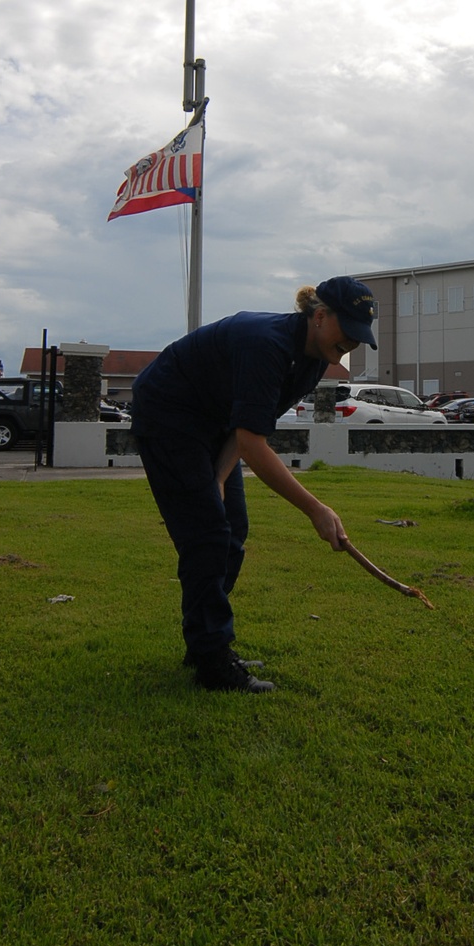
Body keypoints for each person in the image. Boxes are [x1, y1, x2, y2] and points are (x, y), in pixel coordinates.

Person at [131, 276, 378, 693]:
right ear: (320, 317)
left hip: (211, 424)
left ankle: (204, 643)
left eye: (359, 337)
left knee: (231, 530)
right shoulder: (265, 343)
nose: (351, 345)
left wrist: (220, 477)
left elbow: (241, 431)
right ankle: (212, 660)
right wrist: (316, 510)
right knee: (207, 533)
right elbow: (253, 443)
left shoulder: (314, 359)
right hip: (167, 413)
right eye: (347, 332)